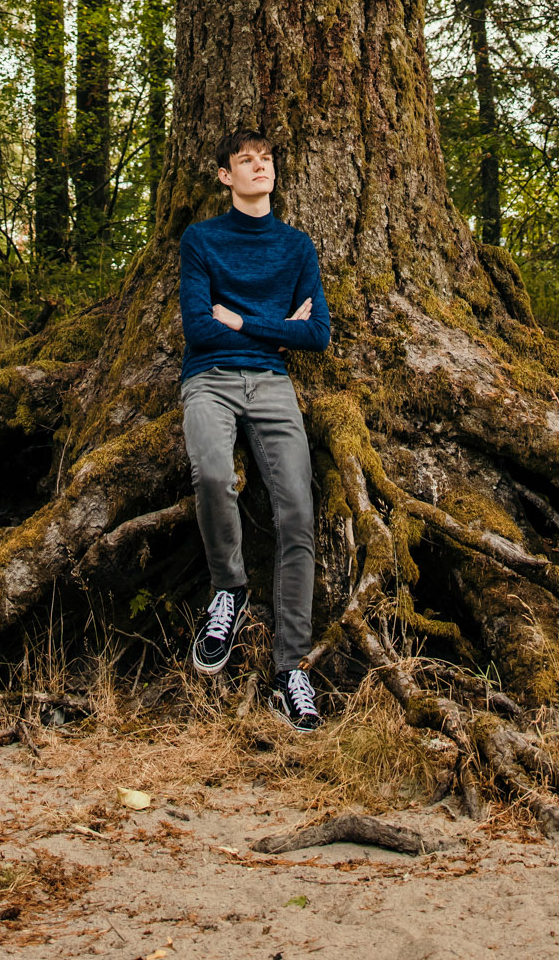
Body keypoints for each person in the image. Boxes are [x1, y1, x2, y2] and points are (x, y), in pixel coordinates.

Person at [178, 128, 331, 731]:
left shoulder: (297, 248)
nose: (258, 167)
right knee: (214, 476)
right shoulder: (201, 239)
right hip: (209, 380)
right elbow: (197, 328)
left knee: (298, 512)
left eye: (266, 159)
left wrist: (239, 317)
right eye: (245, 160)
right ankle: (230, 589)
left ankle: (290, 667)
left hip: (272, 385)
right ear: (226, 176)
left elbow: (316, 335)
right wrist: (276, 324)